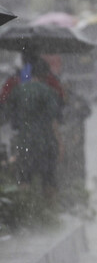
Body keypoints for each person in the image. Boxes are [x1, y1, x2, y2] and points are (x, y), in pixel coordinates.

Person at [2, 62, 63, 202]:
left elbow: (10, 115)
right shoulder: (49, 92)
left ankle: (25, 209)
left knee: (24, 178)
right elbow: (55, 117)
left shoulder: (18, 91)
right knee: (48, 179)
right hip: (46, 142)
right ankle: (49, 210)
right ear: (44, 75)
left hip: (25, 141)